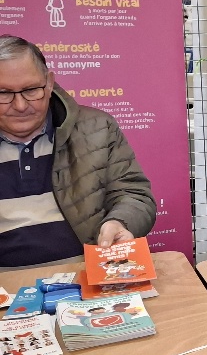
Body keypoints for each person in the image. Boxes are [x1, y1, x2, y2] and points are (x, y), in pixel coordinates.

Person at [0, 35, 156, 270]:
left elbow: (134, 194)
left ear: (49, 83)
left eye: (31, 90)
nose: (20, 105)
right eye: (3, 93)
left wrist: (120, 222)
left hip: (90, 272)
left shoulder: (98, 128)